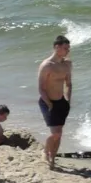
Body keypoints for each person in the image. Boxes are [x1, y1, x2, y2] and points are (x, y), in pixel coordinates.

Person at [37, 34, 72, 170]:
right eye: (65, 48)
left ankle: (52, 160)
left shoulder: (67, 64)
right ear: (57, 47)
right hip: (47, 102)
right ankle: (45, 151)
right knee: (55, 133)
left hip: (62, 102)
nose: (67, 51)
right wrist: (49, 104)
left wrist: (68, 100)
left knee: (59, 134)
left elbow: (69, 84)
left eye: (68, 49)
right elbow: (41, 88)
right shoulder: (47, 65)